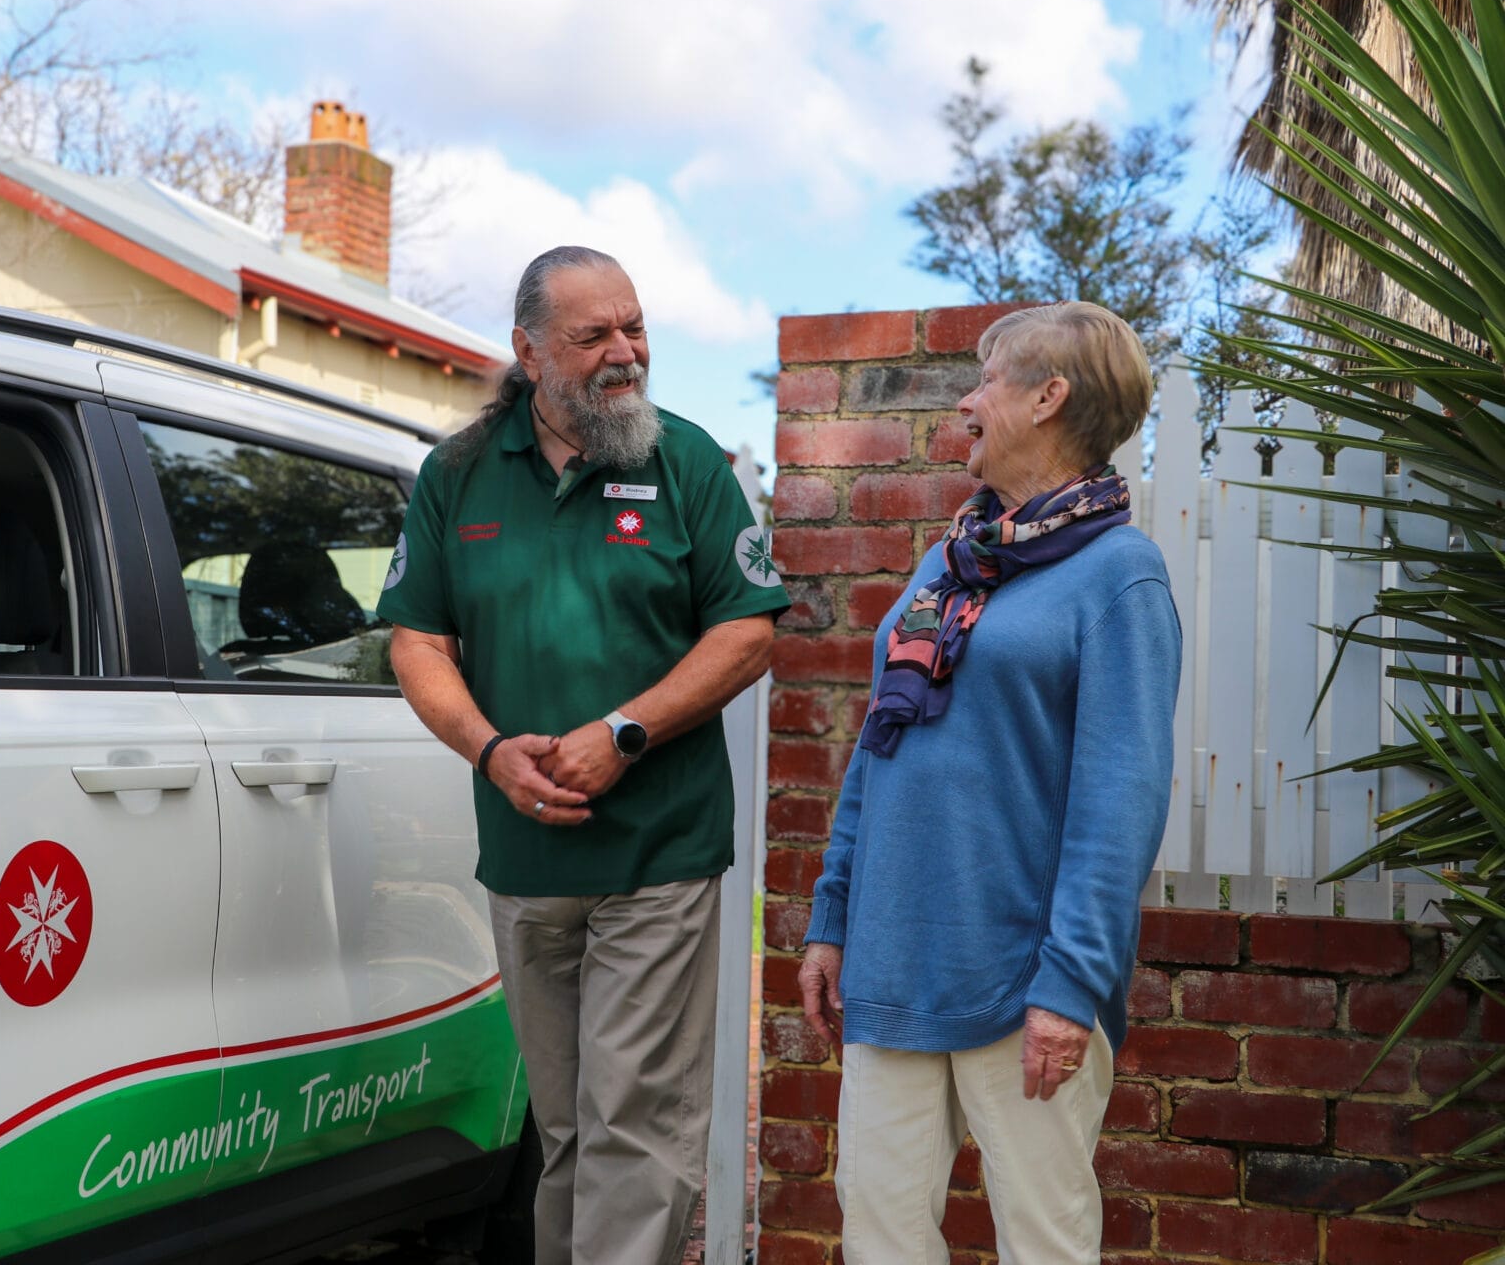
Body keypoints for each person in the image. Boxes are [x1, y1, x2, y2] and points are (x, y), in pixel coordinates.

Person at [377, 245, 788, 1265]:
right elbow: (416, 639)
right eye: (594, 334)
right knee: (563, 1133)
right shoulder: (458, 473)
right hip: (523, 864)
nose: (625, 351)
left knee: (634, 1130)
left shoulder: (686, 461)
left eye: (635, 326)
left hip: (657, 855)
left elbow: (747, 632)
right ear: (528, 350)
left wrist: (623, 732)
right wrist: (487, 750)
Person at [796, 301, 1181, 1264]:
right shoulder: (952, 564)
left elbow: (1120, 803)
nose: (967, 400)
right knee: (878, 1231)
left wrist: (1071, 984)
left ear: (1050, 397)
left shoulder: (1119, 575)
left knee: (1043, 1242)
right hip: (892, 960)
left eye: (988, 379)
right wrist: (834, 917)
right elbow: (880, 754)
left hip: (1023, 981)